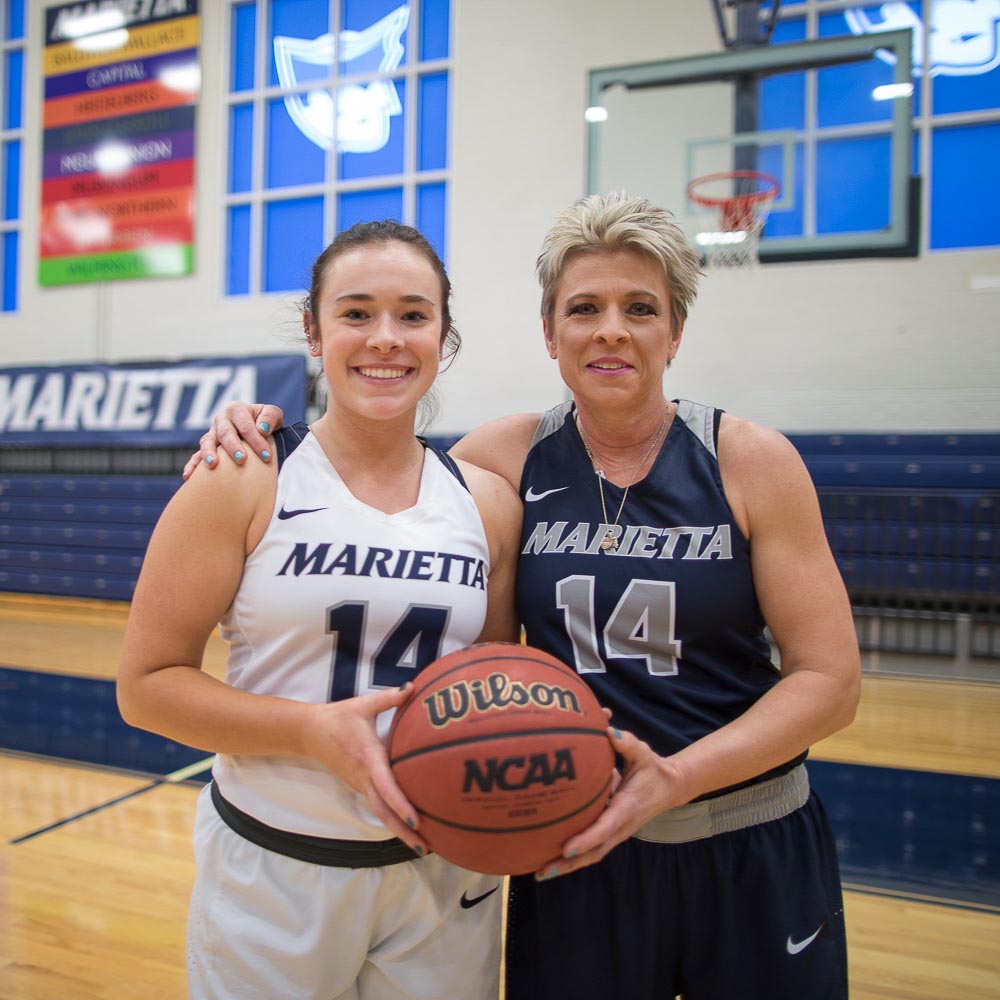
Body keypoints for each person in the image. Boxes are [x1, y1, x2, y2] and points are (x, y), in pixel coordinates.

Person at [187, 192, 862, 1000]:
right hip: (571, 836)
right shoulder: (501, 462)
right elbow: (382, 467)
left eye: (639, 308)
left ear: (674, 331)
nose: (610, 328)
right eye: (584, 308)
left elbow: (830, 682)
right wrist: (257, 424)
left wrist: (679, 777)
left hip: (747, 834)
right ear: (550, 333)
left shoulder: (749, 461)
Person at [118, 220, 522, 1000]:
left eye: (413, 315)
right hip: (277, 869)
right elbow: (146, 686)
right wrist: (309, 731)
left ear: (445, 334)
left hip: (441, 876)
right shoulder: (241, 477)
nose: (386, 339)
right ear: (314, 329)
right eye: (356, 312)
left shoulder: (487, 505)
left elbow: (493, 691)